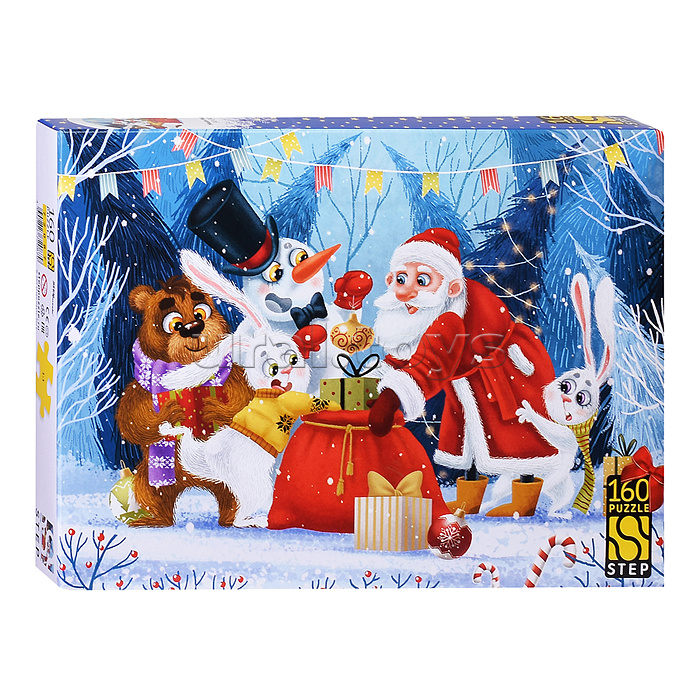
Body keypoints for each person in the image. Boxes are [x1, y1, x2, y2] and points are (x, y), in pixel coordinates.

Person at [368, 228, 558, 475]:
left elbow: (430, 364)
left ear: (452, 288)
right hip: (469, 381)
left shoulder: (449, 319)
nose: (406, 292)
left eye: (422, 281)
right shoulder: (419, 311)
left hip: (509, 374)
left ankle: (526, 491)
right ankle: (472, 493)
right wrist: (379, 381)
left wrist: (392, 397)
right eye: (401, 279)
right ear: (390, 280)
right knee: (470, 443)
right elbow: (406, 352)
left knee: (520, 443)